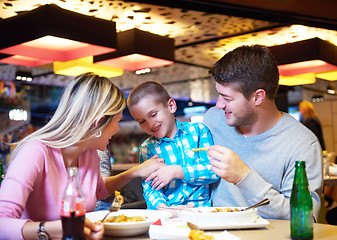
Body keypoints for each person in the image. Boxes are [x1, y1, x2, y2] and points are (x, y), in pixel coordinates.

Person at [0, 73, 164, 239]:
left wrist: (135, 171)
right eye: (117, 121)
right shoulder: (35, 151)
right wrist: (55, 229)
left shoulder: (90, 153)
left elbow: (98, 190)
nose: (118, 129)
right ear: (98, 122)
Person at [203, 45, 323, 220]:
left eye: (227, 98)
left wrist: (244, 177)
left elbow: (304, 218)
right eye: (219, 95)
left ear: (258, 97)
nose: (219, 105)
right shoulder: (214, 120)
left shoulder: (302, 144)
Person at [127, 81, 219, 210]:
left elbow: (213, 171)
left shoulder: (199, 131)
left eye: (153, 115)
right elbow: (150, 189)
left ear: (171, 106)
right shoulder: (147, 148)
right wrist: (164, 208)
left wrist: (176, 171)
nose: (150, 124)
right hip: (167, 213)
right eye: (142, 121)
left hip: (201, 211)